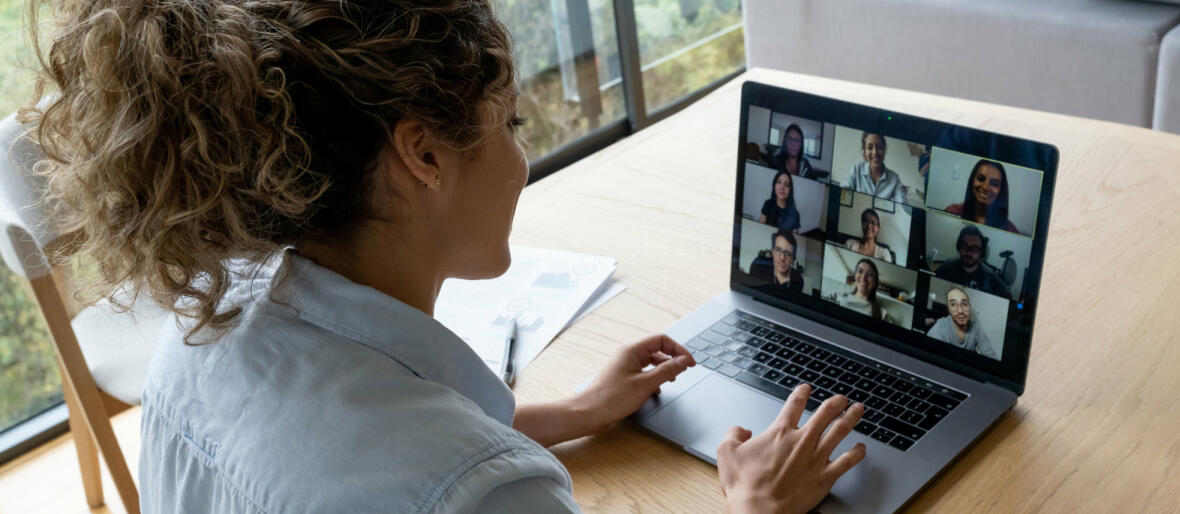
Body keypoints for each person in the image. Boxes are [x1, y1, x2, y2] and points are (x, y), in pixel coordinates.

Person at [30, 1, 866, 512]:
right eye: (510, 124)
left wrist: (567, 413)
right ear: (422, 155)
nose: (521, 159)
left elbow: (373, 447)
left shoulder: (200, 337)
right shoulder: (487, 494)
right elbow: (433, 478)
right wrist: (753, 507)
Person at [934, 226, 1012, 299]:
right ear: (958, 247)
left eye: (975, 249)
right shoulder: (947, 266)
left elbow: (1008, 296)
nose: (968, 253)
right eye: (964, 246)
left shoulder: (989, 275)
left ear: (981, 253)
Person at [944, 159, 1019, 233]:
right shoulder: (952, 211)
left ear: (1001, 190)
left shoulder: (1009, 229)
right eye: (980, 179)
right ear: (972, 181)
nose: (985, 187)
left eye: (994, 183)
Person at [927, 287, 998, 359]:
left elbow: (992, 358)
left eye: (964, 304)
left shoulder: (976, 329)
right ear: (949, 310)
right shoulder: (941, 326)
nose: (960, 310)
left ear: (969, 307)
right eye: (953, 304)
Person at [841, 132, 908, 204]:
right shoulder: (856, 169)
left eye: (879, 147)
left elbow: (903, 204)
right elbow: (842, 194)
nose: (875, 152)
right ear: (864, 150)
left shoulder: (894, 179)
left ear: (884, 149)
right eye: (870, 148)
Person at [752, 231, 806, 302]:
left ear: (793, 259)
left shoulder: (798, 279)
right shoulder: (759, 268)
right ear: (772, 251)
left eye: (788, 253)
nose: (782, 258)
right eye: (778, 250)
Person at [832, 259, 892, 323]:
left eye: (870, 274)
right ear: (855, 275)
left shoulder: (882, 314)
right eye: (860, 271)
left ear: (875, 282)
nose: (863, 277)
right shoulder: (837, 294)